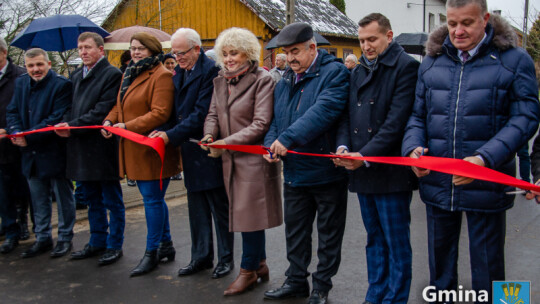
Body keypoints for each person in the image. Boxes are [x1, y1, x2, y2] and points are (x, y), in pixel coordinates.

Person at [402, 0, 540, 302]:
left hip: (487, 181)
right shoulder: (432, 62)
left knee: (489, 271)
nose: (458, 31)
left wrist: (484, 158)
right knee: (439, 272)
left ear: (486, 19)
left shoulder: (514, 60)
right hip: (438, 182)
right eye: (452, 23)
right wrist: (412, 148)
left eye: (467, 22)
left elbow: (526, 118)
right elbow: (417, 116)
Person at [333, 13, 419, 304]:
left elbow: (396, 124)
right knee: (374, 241)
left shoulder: (406, 67)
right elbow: (346, 117)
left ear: (389, 36)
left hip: (390, 173)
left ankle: (395, 298)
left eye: (372, 39)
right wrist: (344, 147)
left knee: (396, 244)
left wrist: (365, 155)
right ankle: (375, 294)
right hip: (361, 170)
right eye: (361, 41)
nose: (366, 46)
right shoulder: (356, 71)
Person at [263, 23, 349, 304]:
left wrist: (286, 139)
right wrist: (270, 145)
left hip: (327, 174)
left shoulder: (334, 73)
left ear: (313, 48)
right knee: (296, 233)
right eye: (286, 53)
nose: (290, 58)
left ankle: (321, 287)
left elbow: (323, 112)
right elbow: (277, 119)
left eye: (295, 51)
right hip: (295, 173)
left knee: (328, 236)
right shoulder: (286, 79)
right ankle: (296, 281)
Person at [202, 27, 283, 296]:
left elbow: (261, 123)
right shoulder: (221, 80)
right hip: (230, 159)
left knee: (249, 217)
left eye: (233, 53)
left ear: (247, 53)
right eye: (224, 54)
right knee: (246, 215)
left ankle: (247, 271)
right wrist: (209, 134)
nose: (228, 59)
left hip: (253, 159)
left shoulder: (263, 80)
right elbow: (213, 113)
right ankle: (259, 265)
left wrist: (226, 142)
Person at [150, 28, 234, 279]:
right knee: (196, 208)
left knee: (219, 208)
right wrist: (162, 130)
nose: (178, 57)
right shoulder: (179, 72)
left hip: (208, 147)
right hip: (189, 149)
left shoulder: (211, 72)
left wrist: (170, 135)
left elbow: (201, 114)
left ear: (197, 49)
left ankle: (226, 259)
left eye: (182, 52)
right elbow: (176, 112)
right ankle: (201, 257)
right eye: (174, 53)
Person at [102, 32, 180, 276]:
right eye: (133, 48)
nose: (135, 52)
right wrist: (109, 120)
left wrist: (127, 126)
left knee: (151, 200)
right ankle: (166, 245)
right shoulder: (129, 73)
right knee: (153, 199)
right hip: (133, 147)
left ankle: (152, 251)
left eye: (140, 49)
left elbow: (160, 113)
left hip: (152, 150)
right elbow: (120, 104)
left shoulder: (162, 75)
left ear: (152, 50)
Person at [54, 32, 125, 266]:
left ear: (100, 50)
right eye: (80, 48)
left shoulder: (112, 74)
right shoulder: (75, 75)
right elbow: (69, 107)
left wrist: (71, 126)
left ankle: (114, 245)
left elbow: (102, 110)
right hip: (80, 147)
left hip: (101, 148)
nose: (83, 52)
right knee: (92, 200)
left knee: (111, 200)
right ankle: (96, 241)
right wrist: (65, 123)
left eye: (87, 47)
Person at [5, 48, 76, 258]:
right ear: (26, 67)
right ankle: (42, 237)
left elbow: (55, 118)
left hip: (54, 151)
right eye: (30, 66)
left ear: (48, 64)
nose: (35, 69)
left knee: (63, 199)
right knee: (38, 199)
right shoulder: (20, 83)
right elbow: (12, 111)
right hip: (29, 154)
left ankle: (65, 238)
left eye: (39, 65)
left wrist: (28, 136)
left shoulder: (62, 85)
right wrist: (16, 131)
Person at [0, 37, 32, 254]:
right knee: (2, 191)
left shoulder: (20, 75)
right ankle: (10, 229)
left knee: (22, 187)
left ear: (3, 52)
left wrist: (9, 129)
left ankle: (22, 221)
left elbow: (25, 108)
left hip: (17, 142)